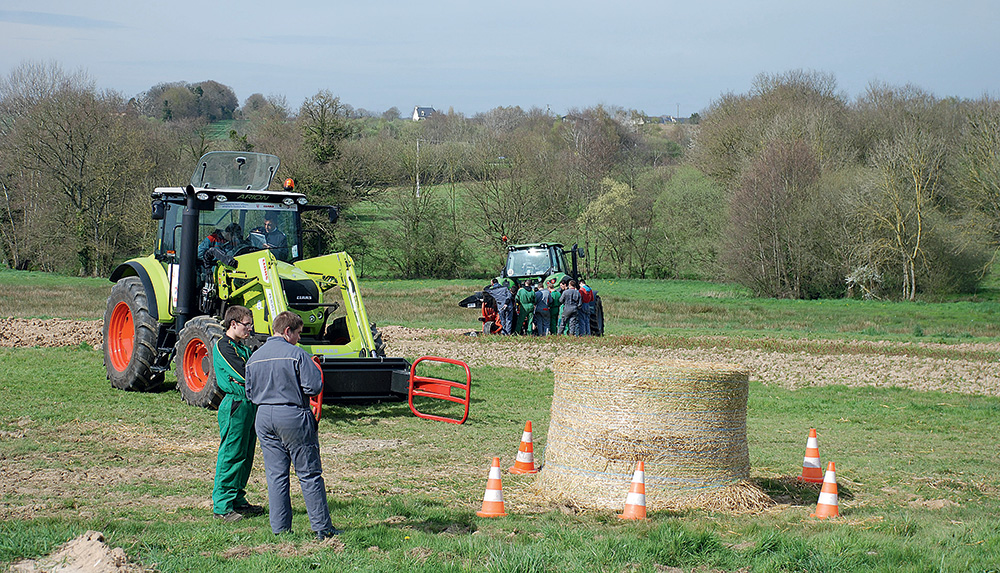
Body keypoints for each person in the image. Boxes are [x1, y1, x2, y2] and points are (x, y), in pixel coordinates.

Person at [245, 311, 340, 540]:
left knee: (276, 475)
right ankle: (322, 528)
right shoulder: (296, 354)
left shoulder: (254, 357)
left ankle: (280, 530)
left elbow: (249, 391)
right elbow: (314, 386)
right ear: (288, 332)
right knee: (309, 473)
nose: (299, 338)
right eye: (298, 333)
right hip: (292, 414)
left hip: (264, 416)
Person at [212, 305, 262, 522]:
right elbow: (244, 373)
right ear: (233, 324)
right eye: (246, 325)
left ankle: (238, 499)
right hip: (236, 404)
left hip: (250, 403)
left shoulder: (242, 347)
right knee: (231, 454)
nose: (249, 329)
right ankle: (222, 506)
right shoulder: (224, 347)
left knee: (246, 453)